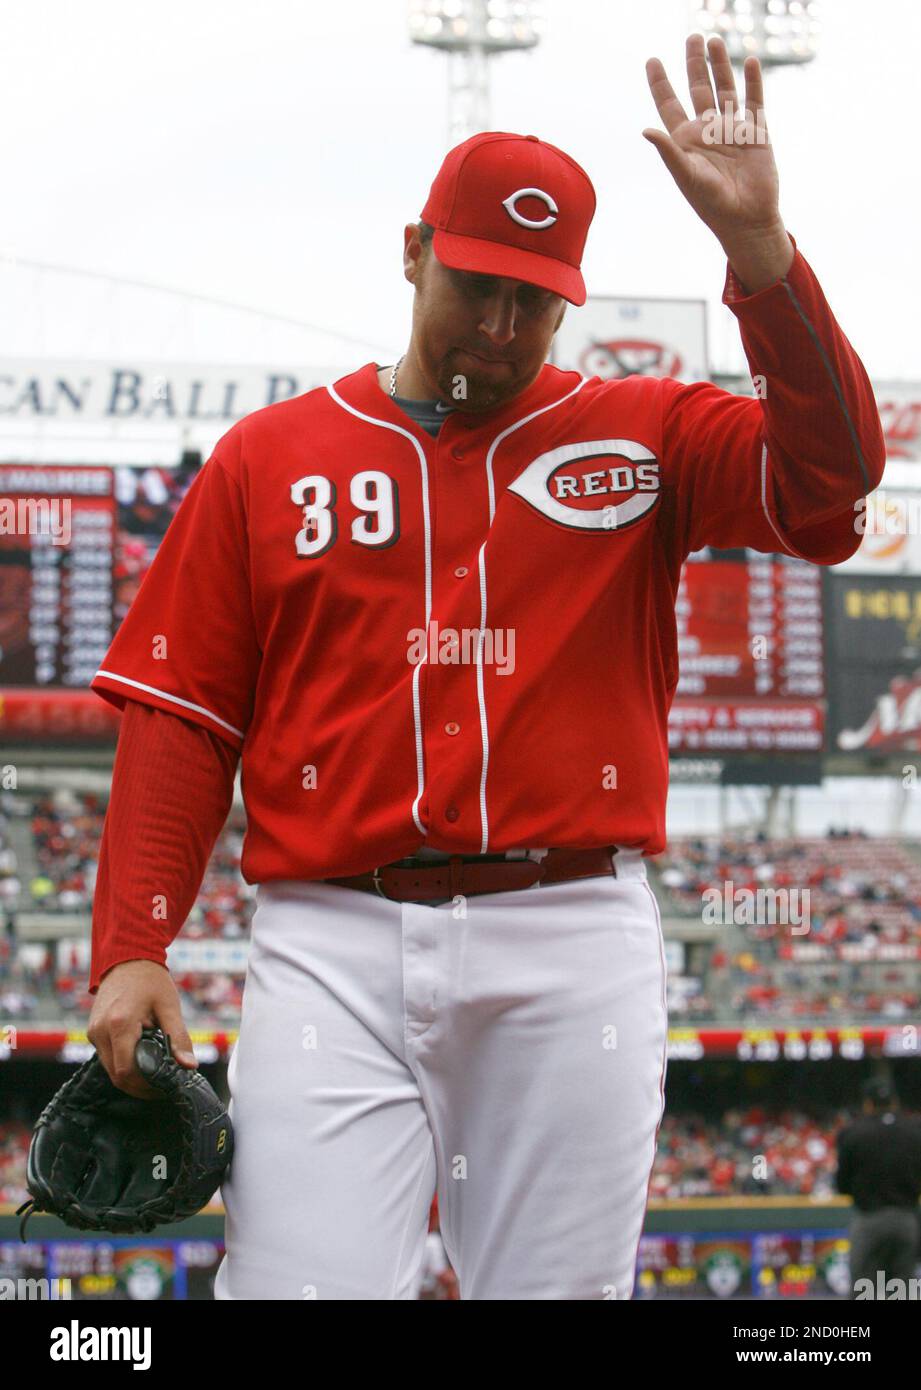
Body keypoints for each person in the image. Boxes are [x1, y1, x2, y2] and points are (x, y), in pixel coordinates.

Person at [86, 35, 884, 1299]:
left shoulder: (647, 431)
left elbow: (834, 495)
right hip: (329, 934)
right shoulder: (266, 458)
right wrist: (132, 940)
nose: (504, 324)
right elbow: (182, 717)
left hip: (568, 930)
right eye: (476, 284)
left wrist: (764, 261)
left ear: (572, 299)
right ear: (414, 251)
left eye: (537, 298)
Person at [837, 1079, 921, 1298]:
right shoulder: (915, 1131)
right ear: (894, 1102)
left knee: (865, 1292)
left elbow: (842, 1185)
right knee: (903, 1294)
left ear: (868, 1104)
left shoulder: (854, 1133)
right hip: (906, 1220)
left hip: (869, 1220)